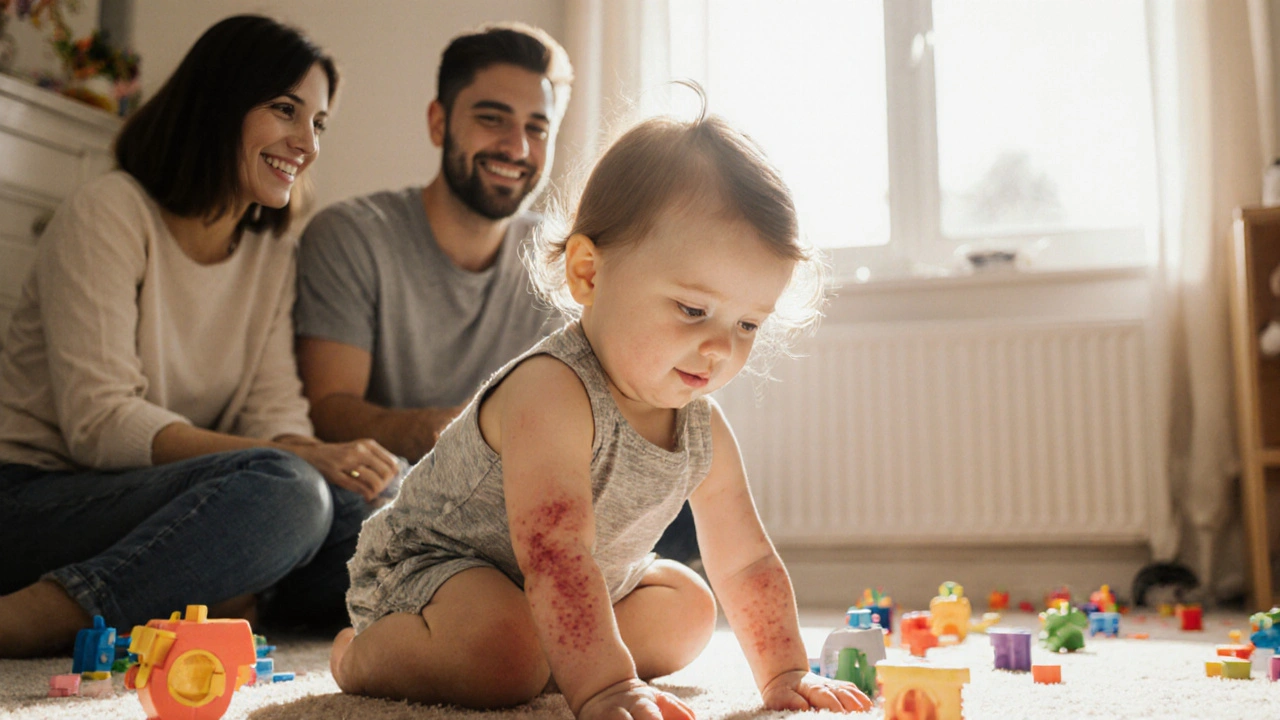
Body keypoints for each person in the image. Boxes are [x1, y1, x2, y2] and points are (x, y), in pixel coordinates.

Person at [327, 101, 875, 719]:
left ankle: (559, 653)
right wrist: (608, 687)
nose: (721, 347)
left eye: (748, 323)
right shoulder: (552, 390)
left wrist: (785, 671)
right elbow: (555, 552)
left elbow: (746, 560)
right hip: (435, 573)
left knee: (691, 608)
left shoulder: (702, 427)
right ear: (589, 273)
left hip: (578, 582)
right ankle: (359, 655)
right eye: (693, 310)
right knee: (506, 656)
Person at [0, 15, 401, 658]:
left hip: (164, 501)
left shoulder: (271, 255)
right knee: (288, 491)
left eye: (318, 123)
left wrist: (335, 462)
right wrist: (296, 462)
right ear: (219, 103)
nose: (307, 143)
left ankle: (209, 594)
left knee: (377, 505)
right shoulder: (109, 211)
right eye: (285, 110)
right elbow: (98, 424)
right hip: (32, 498)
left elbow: (273, 412)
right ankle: (38, 617)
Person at [293, 23, 573, 464]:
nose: (517, 148)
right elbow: (326, 411)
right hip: (382, 495)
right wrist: (449, 432)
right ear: (439, 123)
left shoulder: (560, 259)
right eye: (492, 118)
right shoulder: (352, 236)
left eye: (537, 129)